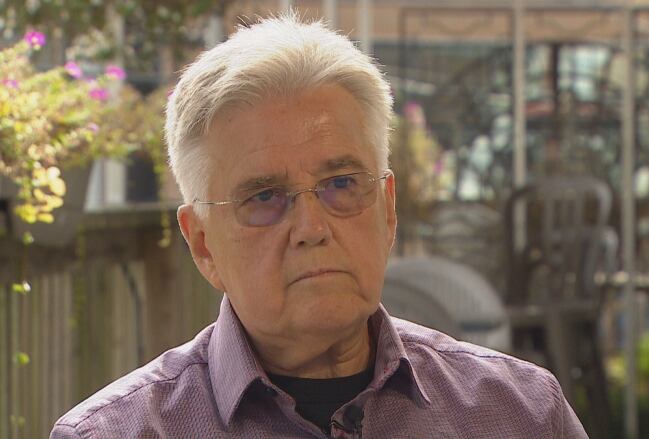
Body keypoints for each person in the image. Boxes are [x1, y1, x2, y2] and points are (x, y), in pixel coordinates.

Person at [51, 14, 588, 439]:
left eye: (341, 184)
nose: (311, 227)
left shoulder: (521, 415)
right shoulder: (118, 432)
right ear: (203, 244)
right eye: (264, 197)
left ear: (388, 208)